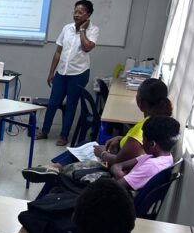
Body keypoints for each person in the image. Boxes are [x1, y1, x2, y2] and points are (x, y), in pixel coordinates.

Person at [25, 77, 173, 179]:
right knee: (85, 145)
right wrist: (121, 138)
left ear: (140, 102)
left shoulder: (145, 128)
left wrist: (102, 153)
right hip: (117, 157)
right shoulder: (155, 121)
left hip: (111, 168)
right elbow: (134, 145)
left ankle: (55, 169)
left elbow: (117, 161)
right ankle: (54, 167)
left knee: (88, 148)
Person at [38, 0, 99, 146]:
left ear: (88, 15)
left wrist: (82, 30)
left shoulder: (94, 30)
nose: (76, 15)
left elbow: (87, 47)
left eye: (80, 12)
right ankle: (44, 131)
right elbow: (58, 52)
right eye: (75, 11)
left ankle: (64, 136)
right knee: (53, 103)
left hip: (79, 73)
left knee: (71, 105)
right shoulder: (67, 28)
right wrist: (51, 72)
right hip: (61, 73)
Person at [111, 115, 179, 191]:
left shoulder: (152, 165)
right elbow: (117, 165)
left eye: (143, 138)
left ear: (152, 144)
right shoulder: (163, 157)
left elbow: (115, 186)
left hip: (123, 194)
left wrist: (121, 174)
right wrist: (123, 175)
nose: (142, 141)